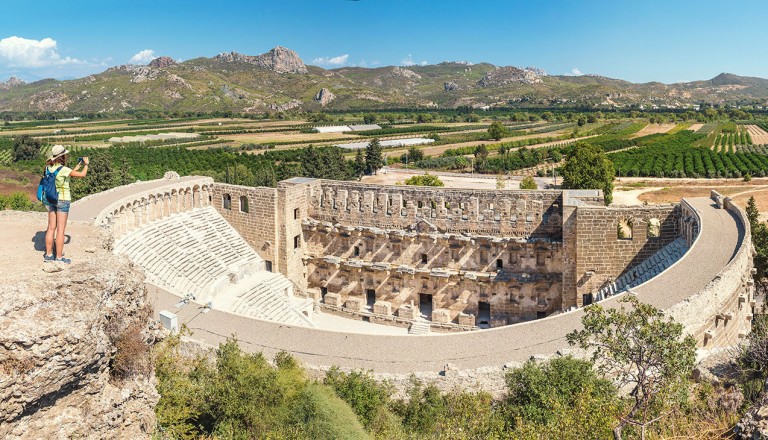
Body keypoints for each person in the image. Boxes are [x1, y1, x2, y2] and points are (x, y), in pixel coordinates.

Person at [43, 145, 89, 264]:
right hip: (62, 200)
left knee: (51, 228)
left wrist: (75, 168)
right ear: (62, 156)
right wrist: (86, 165)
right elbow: (82, 175)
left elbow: (64, 175)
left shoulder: (48, 168)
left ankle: (48, 255)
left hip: (51, 199)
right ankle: (59, 257)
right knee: (61, 230)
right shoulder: (64, 169)